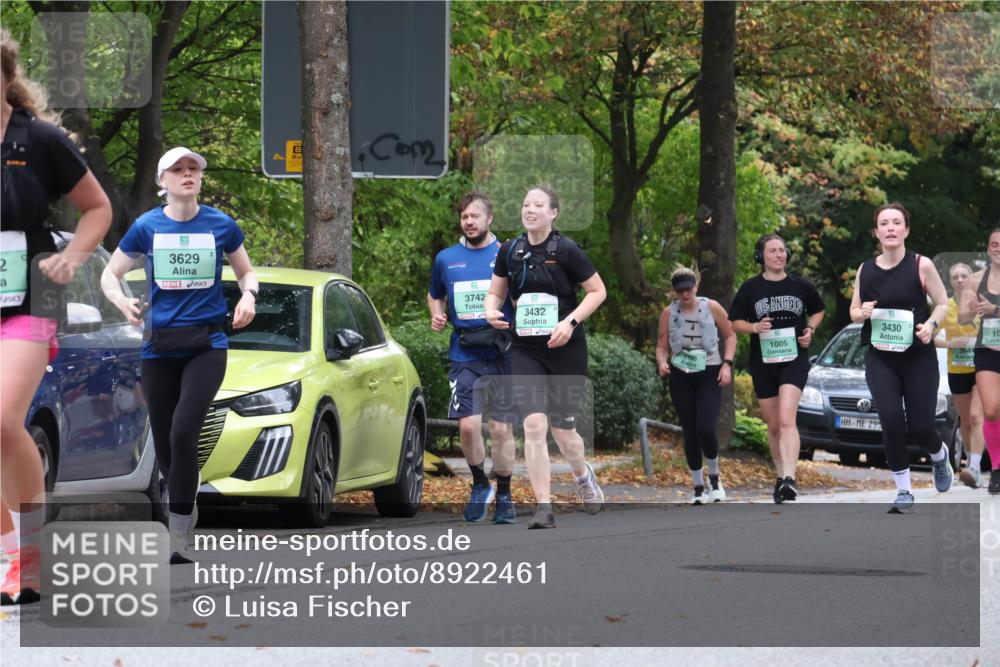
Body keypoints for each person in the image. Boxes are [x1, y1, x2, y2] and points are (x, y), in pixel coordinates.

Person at [101, 147, 258, 562]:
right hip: (158, 348)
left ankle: (178, 535)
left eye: (194, 169)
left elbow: (246, 270)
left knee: (185, 431)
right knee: (168, 446)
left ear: (200, 180)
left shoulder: (220, 225)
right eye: (178, 169)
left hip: (207, 345)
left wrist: (250, 297)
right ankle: (186, 498)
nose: (188, 175)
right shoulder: (146, 226)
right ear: (162, 181)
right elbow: (109, 274)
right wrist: (121, 303)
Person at [1, 28, 112, 605]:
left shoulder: (38, 139)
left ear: (5, 74)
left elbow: (97, 208)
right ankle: (9, 554)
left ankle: (31, 555)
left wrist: (72, 257)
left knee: (1, 418)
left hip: (33, 293)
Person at [484, 185, 606, 529]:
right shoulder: (510, 250)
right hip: (526, 348)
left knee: (563, 431)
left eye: (538, 205)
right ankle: (544, 507)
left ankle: (583, 477)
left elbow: (598, 291)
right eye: (525, 204)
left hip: (565, 347)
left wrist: (570, 322)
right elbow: (495, 292)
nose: (530, 210)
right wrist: (490, 311)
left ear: (553, 212)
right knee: (534, 425)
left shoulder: (566, 250)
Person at [849, 202, 953, 512]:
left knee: (921, 426)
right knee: (891, 420)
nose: (891, 228)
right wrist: (861, 313)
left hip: (918, 357)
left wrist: (930, 326)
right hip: (881, 358)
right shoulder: (865, 269)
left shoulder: (921, 265)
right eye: (885, 223)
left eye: (897, 222)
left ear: (906, 230)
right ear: (876, 232)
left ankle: (939, 456)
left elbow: (943, 303)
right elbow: (854, 311)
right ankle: (903, 490)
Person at [428, 192, 518, 523]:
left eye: (475, 216)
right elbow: (434, 294)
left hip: (502, 351)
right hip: (464, 350)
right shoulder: (446, 258)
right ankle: (481, 484)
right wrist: (437, 315)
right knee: (468, 427)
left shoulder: (506, 254)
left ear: (489, 219)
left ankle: (505, 493)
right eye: (464, 216)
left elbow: (523, 294)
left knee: (500, 428)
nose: (469, 222)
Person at [730, 234, 824, 503]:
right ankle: (781, 477)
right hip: (764, 363)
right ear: (761, 256)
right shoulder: (750, 289)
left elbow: (818, 310)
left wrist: (810, 329)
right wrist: (755, 327)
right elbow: (734, 322)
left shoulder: (800, 285)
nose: (779, 255)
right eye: (773, 251)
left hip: (794, 360)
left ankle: (790, 479)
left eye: (783, 250)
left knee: (786, 418)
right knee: (773, 425)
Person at [655, 266, 737, 504]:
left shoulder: (711, 307)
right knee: (690, 431)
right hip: (681, 374)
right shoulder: (668, 313)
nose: (685, 295)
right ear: (675, 292)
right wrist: (662, 362)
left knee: (705, 427)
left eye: (689, 290)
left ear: (696, 287)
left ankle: (714, 478)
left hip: (709, 372)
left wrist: (726, 364)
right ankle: (698, 487)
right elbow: (662, 344)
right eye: (680, 291)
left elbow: (730, 335)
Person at [934, 262, 985, 488]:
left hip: (982, 368)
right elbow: (929, 336)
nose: (961, 280)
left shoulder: (982, 304)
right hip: (957, 369)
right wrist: (949, 343)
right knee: (966, 420)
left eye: (965, 275)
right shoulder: (947, 308)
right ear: (951, 282)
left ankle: (974, 466)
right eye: (956, 277)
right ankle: (973, 464)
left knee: (976, 416)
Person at [957, 230, 1000, 495]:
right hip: (988, 349)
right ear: (988, 249)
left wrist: (995, 310)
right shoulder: (975, 280)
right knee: (991, 409)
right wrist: (971, 310)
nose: (999, 249)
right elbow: (962, 317)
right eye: (994, 244)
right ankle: (996, 468)